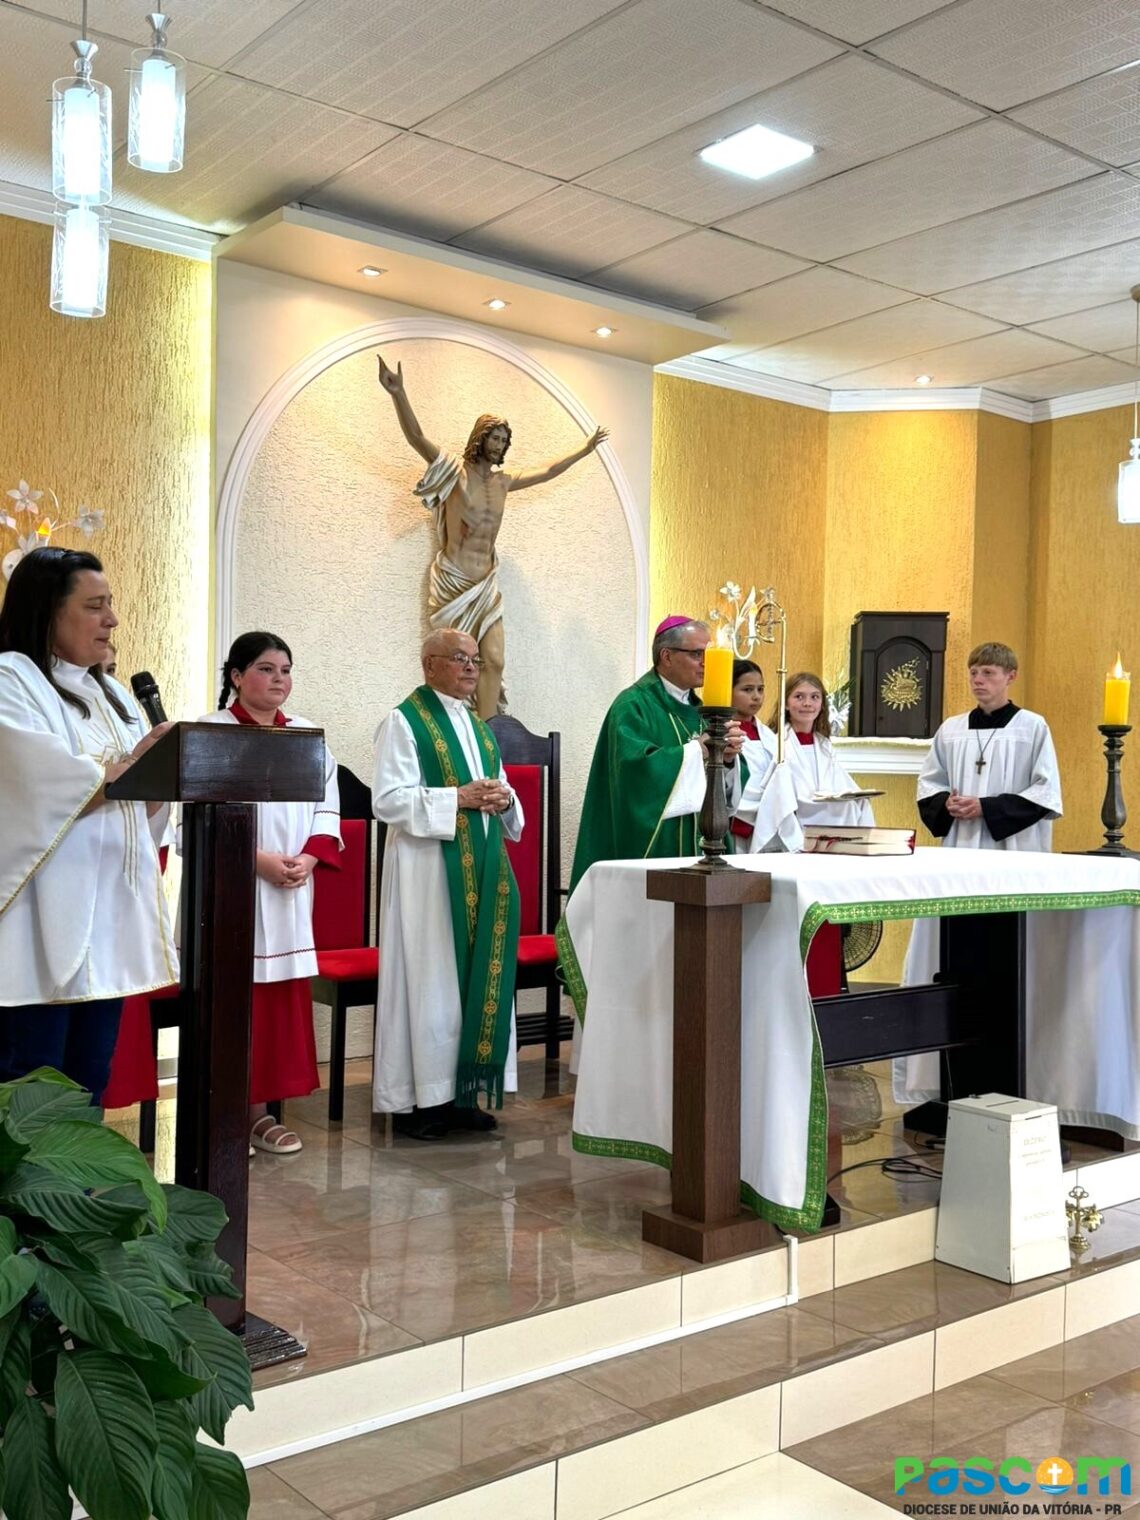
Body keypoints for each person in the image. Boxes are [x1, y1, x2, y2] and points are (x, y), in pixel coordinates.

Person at [0, 548, 177, 1100]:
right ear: (49, 611)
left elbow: (137, 811)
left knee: (86, 1082)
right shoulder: (12, 679)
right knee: (31, 1085)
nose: (112, 620)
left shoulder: (114, 694)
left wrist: (160, 774)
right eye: (95, 605)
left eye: (112, 605)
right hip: (37, 925)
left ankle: (76, 1189)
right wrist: (133, 768)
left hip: (108, 928)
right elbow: (38, 780)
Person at [377, 352, 609, 718]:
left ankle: (486, 732)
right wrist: (398, 393)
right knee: (454, 666)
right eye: (495, 437)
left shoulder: (504, 482)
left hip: (485, 584)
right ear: (481, 437)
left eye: (504, 439)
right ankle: (454, 724)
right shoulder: (454, 472)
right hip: (455, 581)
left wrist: (584, 448)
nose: (500, 445)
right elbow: (417, 436)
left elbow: (548, 471)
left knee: (495, 660)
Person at [371, 628, 523, 1140]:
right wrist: (456, 798)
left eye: (475, 660)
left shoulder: (479, 728)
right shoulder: (404, 720)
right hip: (428, 875)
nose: (470, 668)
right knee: (430, 981)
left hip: (480, 864)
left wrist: (503, 799)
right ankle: (419, 1103)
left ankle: (463, 1095)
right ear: (428, 664)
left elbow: (499, 789)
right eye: (459, 659)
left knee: (471, 980)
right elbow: (388, 800)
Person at [897, 642, 1062, 1102]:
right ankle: (953, 1085)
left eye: (987, 672)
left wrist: (986, 806)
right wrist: (947, 805)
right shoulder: (951, 730)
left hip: (1013, 859)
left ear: (1010, 676)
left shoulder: (1032, 728)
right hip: (959, 857)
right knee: (959, 960)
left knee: (1004, 965)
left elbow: (1046, 793)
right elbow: (928, 784)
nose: (977, 680)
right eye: (973, 673)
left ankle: (1005, 1080)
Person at [196, 632, 342, 1154]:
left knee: (274, 1005)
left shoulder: (307, 736)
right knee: (229, 1002)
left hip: (288, 892)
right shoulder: (207, 734)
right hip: (228, 891)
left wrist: (306, 857)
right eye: (265, 669)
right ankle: (220, 1117)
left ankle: (259, 1115)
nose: (279, 679)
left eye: (286, 669)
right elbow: (189, 817)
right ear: (236, 676)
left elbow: (327, 808)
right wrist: (254, 859)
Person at [565, 616, 745, 898]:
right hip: (653, 850)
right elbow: (634, 773)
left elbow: (725, 792)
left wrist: (728, 760)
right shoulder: (633, 705)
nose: (706, 663)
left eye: (708, 654)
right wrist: (698, 751)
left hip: (702, 848)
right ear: (667, 656)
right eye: (697, 654)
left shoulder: (706, 711)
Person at [774, 671, 875, 830]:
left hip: (826, 805)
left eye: (814, 697)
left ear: (822, 705)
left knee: (859, 803)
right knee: (846, 809)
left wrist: (855, 795)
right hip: (796, 810)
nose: (807, 703)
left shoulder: (824, 745)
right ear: (785, 703)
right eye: (799, 697)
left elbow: (840, 782)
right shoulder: (777, 743)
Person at [728, 658, 802, 854]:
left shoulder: (771, 737)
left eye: (760, 689)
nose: (756, 697)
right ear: (728, 690)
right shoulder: (722, 734)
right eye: (747, 689)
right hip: (736, 827)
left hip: (772, 821)